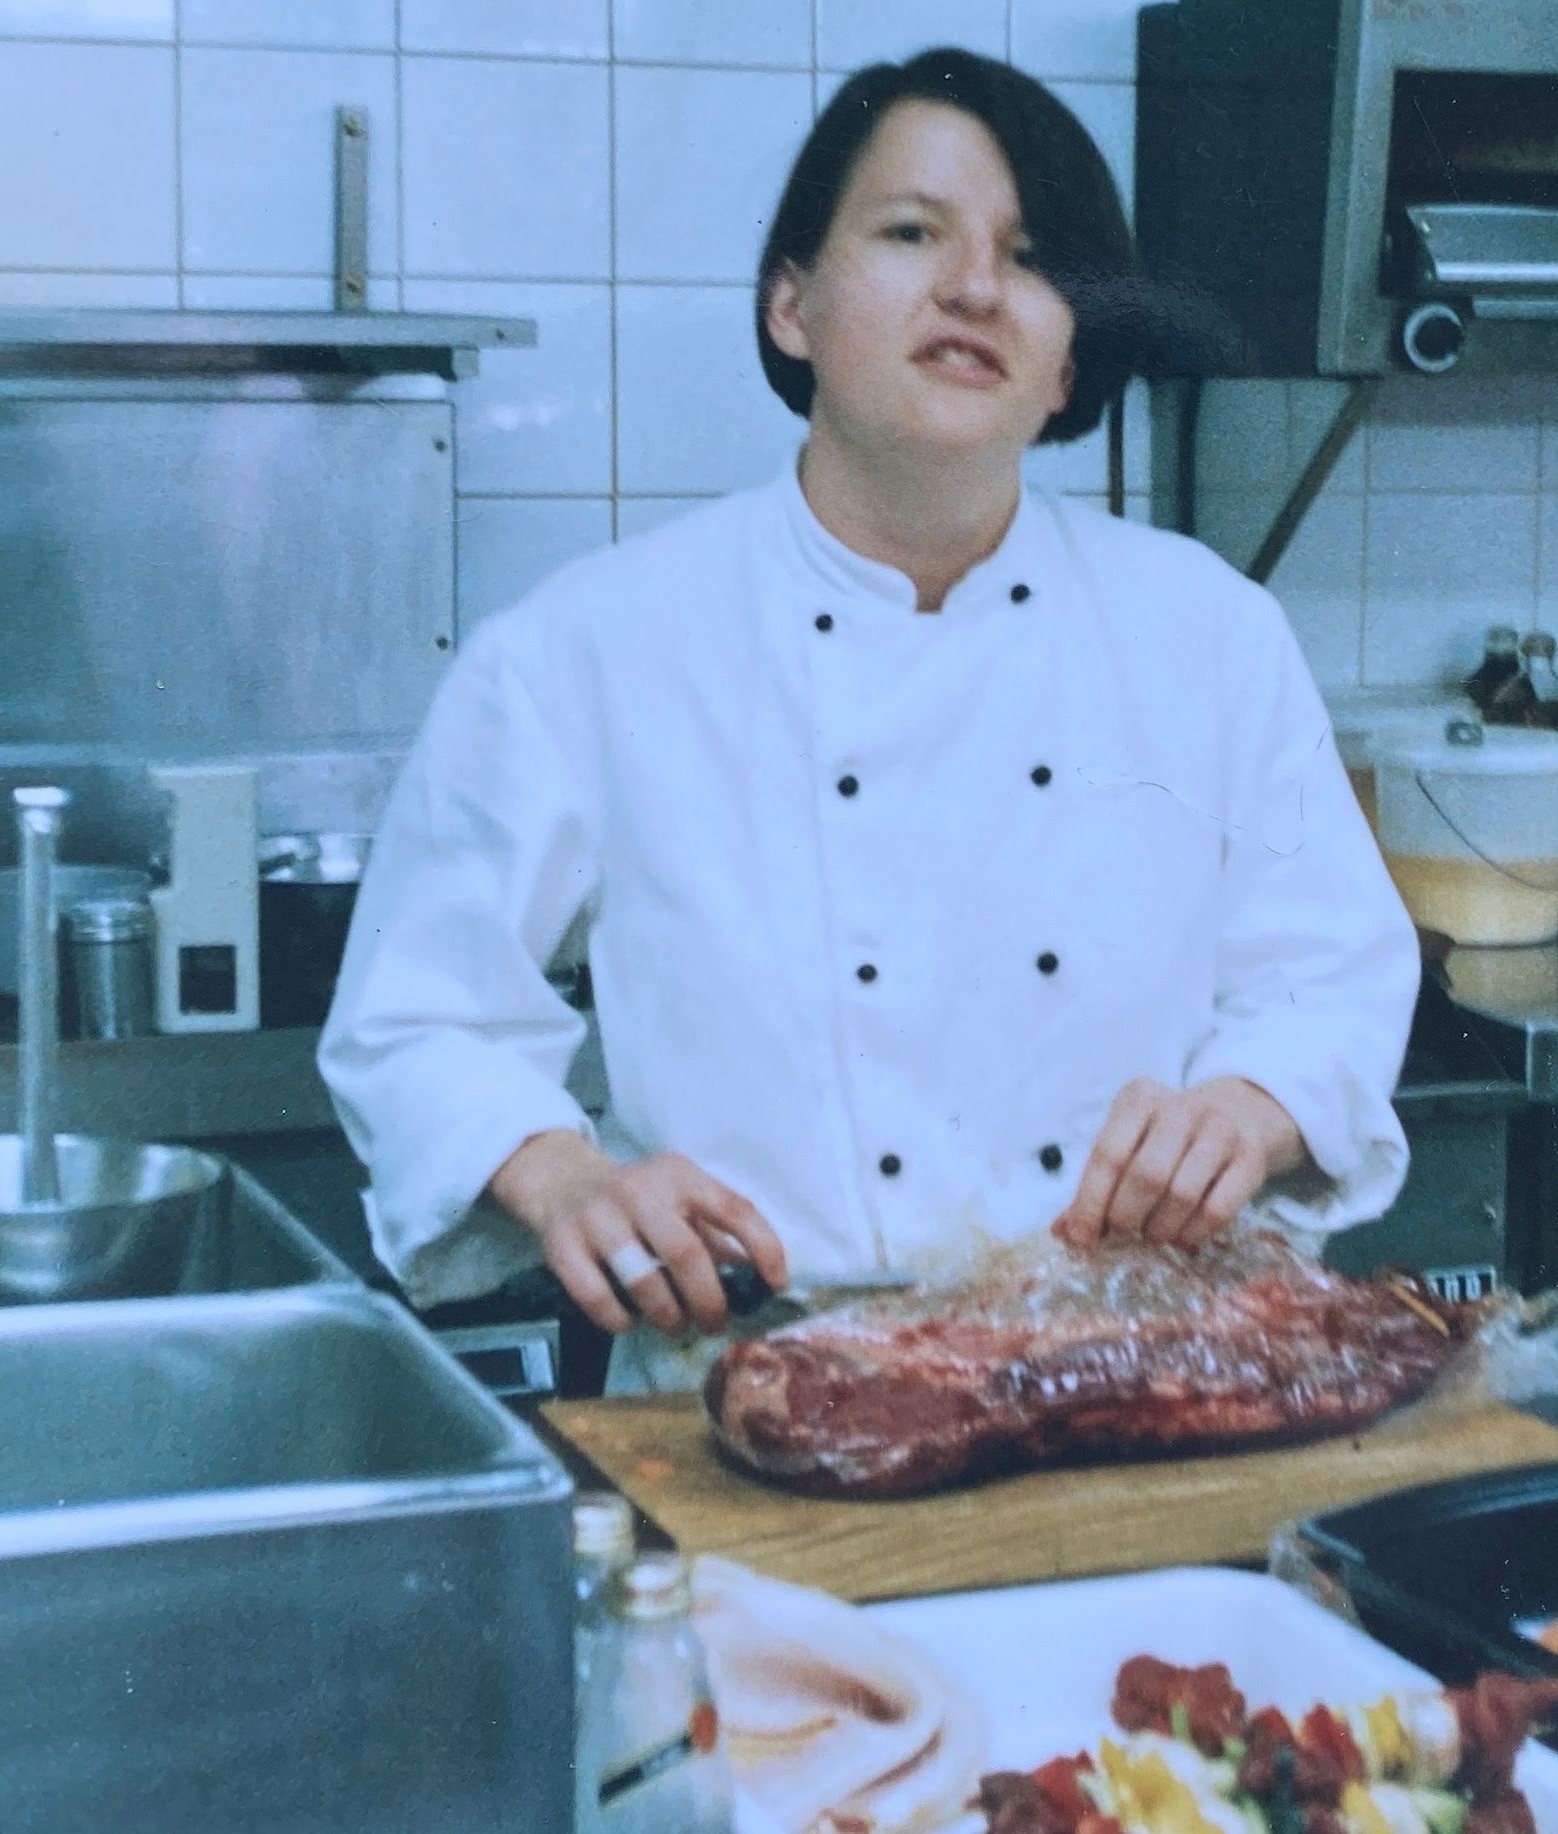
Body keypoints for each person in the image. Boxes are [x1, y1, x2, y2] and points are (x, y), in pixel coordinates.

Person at [319, 48, 1422, 1394]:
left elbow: (1331, 973)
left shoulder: (1208, 635)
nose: (975, 287)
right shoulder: (589, 649)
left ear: (1069, 359)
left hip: (1128, 1374)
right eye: (911, 232)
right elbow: (416, 1015)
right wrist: (563, 1176)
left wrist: (1252, 1105)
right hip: (744, 1393)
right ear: (790, 304)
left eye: (1030, 259)